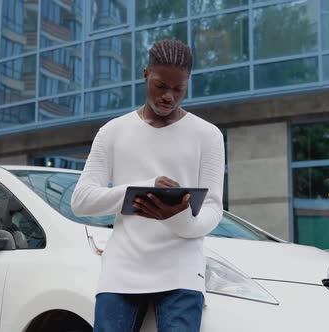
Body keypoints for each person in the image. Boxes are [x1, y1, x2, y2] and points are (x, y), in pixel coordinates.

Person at [71, 39, 225, 332]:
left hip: (181, 269)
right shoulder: (112, 132)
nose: (168, 96)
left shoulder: (208, 136)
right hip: (123, 268)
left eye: (178, 89)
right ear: (145, 75)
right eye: (160, 85)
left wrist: (176, 217)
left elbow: (213, 209)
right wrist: (140, 189)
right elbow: (81, 201)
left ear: (188, 83)